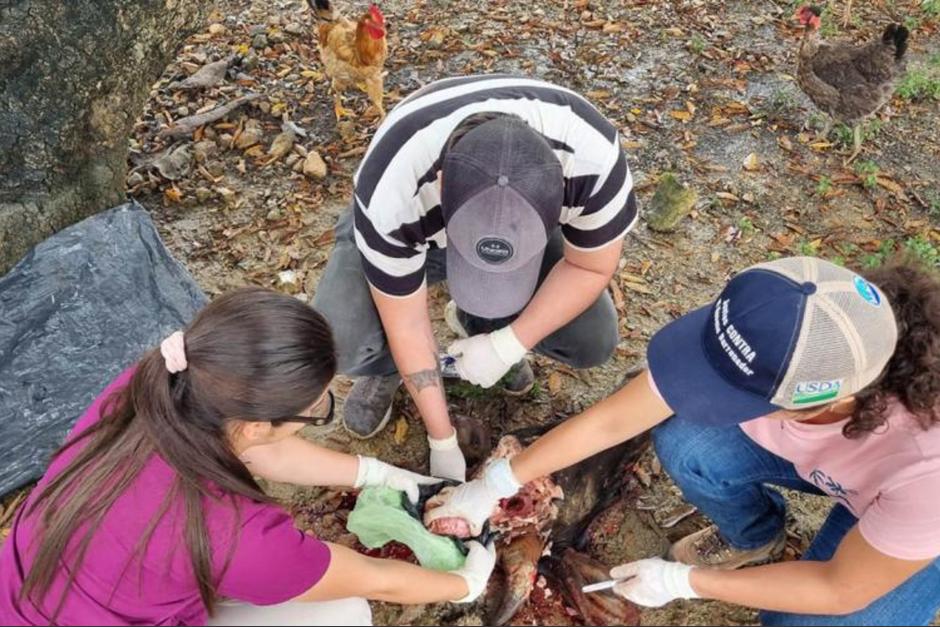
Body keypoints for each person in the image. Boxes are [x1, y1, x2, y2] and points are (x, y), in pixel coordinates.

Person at [427, 256, 940, 625]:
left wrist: (686, 584)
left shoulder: (927, 469)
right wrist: (496, 482)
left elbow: (840, 588)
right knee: (690, 444)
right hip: (842, 461)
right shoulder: (791, 321)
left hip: (910, 514)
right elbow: (612, 422)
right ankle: (755, 535)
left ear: (829, 402)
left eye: (736, 392)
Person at [0, 287, 495, 626]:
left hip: (29, 589)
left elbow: (265, 453)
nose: (321, 413)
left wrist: (379, 474)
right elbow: (376, 580)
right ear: (257, 425)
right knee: (342, 614)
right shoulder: (233, 534)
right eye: (314, 410)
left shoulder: (157, 386)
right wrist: (463, 583)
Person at [313, 74, 638, 481]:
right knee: (338, 338)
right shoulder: (393, 189)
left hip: (527, 228)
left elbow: (590, 266)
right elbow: (409, 323)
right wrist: (442, 439)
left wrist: (508, 343)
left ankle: (482, 327)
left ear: (559, 195)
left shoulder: (592, 161)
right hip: (415, 231)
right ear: (442, 184)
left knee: (591, 338)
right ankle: (386, 370)